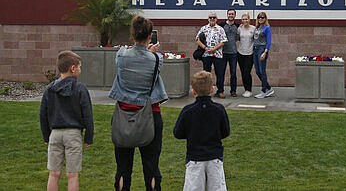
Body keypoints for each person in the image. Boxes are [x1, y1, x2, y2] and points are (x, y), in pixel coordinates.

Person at [108, 16, 168, 191]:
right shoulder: (156, 58)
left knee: (122, 168)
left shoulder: (121, 54)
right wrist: (150, 51)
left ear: (132, 34)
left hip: (123, 115)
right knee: (151, 167)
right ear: (150, 36)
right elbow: (149, 64)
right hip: (150, 115)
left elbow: (128, 58)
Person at [39, 50, 94, 191]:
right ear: (73, 68)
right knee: (72, 174)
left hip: (55, 134)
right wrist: (88, 137)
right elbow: (88, 115)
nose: (80, 69)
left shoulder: (49, 89)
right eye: (80, 66)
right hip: (73, 134)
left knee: (54, 173)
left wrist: (46, 136)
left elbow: (43, 115)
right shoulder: (80, 89)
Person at [173, 71, 230, 191]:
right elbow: (226, 131)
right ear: (212, 89)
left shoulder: (188, 111)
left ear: (193, 91)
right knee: (217, 187)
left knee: (193, 187)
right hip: (214, 156)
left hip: (195, 157)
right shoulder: (219, 110)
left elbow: (178, 133)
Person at [195, 11, 228, 98]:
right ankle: (206, 92)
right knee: (206, 74)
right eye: (210, 17)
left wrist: (214, 49)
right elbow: (197, 39)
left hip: (217, 54)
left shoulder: (220, 29)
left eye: (214, 17)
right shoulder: (203, 28)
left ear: (216, 19)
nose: (212, 19)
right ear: (208, 19)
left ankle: (220, 91)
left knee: (220, 73)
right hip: (206, 55)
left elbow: (223, 41)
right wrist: (205, 48)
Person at [218, 8, 240, 97]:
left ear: (235, 15)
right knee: (221, 73)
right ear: (227, 15)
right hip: (223, 53)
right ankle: (220, 91)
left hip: (233, 53)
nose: (231, 15)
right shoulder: (221, 25)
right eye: (229, 14)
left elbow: (238, 38)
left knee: (233, 73)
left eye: (232, 14)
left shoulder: (238, 26)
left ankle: (233, 91)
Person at [253, 12, 274, 99]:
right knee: (257, 71)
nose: (261, 19)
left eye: (262, 17)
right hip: (255, 49)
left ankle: (264, 90)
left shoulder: (267, 28)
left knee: (262, 70)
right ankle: (269, 88)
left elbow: (269, 41)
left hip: (262, 49)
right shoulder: (257, 28)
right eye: (259, 17)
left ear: (265, 18)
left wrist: (265, 52)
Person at [237, 12, 255, 97]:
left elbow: (256, 40)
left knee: (247, 72)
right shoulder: (239, 29)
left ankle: (249, 90)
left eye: (246, 19)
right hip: (240, 53)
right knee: (243, 72)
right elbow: (237, 38)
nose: (245, 21)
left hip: (250, 53)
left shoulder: (253, 29)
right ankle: (246, 90)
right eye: (243, 19)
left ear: (249, 20)